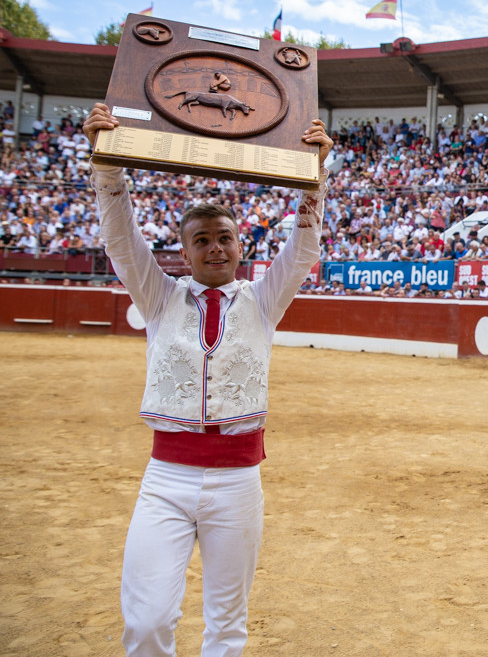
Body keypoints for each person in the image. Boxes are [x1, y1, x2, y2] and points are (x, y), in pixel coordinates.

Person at [82, 102, 333, 655]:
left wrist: (315, 172)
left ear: (241, 246)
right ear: (186, 251)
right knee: (146, 621)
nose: (215, 247)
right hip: (166, 478)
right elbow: (122, 242)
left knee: (227, 625)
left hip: (239, 482)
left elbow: (303, 248)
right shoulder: (159, 296)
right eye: (202, 240)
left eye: (225, 237)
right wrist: (106, 166)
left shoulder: (264, 300)